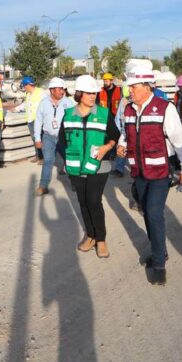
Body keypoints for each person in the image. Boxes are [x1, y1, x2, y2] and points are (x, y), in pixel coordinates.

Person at [116, 66, 182, 285]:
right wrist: (122, 145)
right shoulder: (129, 110)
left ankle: (159, 262)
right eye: (129, 86)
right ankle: (161, 250)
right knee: (146, 212)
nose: (130, 90)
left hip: (160, 172)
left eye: (134, 86)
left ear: (147, 87)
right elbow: (126, 133)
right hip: (138, 172)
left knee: (153, 212)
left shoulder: (164, 108)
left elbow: (180, 142)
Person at [60, 75, 121, 258]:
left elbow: (115, 136)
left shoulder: (103, 114)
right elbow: (63, 141)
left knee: (94, 201)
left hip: (99, 165)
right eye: (88, 93)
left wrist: (107, 147)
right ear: (79, 94)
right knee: (83, 202)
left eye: (94, 93)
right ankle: (91, 235)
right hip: (76, 167)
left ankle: (101, 240)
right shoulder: (69, 114)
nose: (92, 96)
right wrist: (68, 159)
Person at [32, 77, 74, 196]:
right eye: (59, 89)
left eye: (62, 89)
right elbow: (38, 122)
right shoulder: (43, 103)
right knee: (48, 161)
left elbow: (74, 120)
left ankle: (75, 183)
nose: (62, 91)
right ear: (51, 90)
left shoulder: (68, 103)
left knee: (70, 160)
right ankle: (43, 186)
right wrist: (37, 139)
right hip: (48, 137)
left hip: (65, 138)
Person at [14, 76, 46, 164]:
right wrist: (16, 109)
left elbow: (47, 105)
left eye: (24, 86)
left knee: (39, 139)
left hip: (38, 120)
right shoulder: (28, 94)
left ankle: (42, 158)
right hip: (30, 120)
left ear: (28, 85)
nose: (24, 88)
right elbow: (25, 104)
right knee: (34, 139)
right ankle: (37, 156)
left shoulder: (40, 92)